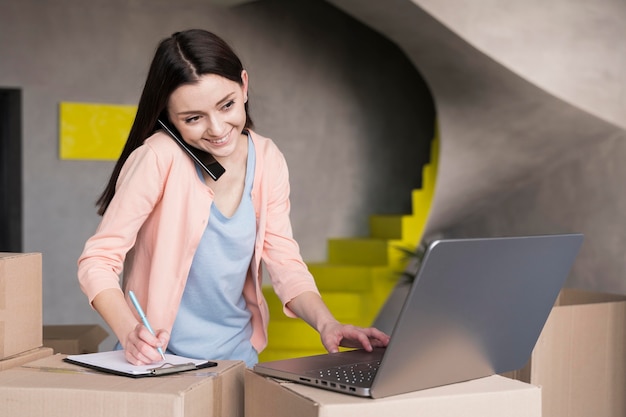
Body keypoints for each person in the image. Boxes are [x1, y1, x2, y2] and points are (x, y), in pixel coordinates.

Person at [77, 29, 389, 368]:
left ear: (243, 85)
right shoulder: (157, 158)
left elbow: (285, 262)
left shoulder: (267, 158)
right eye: (193, 118)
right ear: (169, 117)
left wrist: (327, 323)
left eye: (226, 105)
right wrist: (129, 332)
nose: (217, 128)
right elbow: (98, 261)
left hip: (238, 360)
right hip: (158, 363)